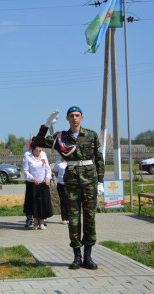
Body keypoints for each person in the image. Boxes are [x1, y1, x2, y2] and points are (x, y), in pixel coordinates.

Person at [34, 106, 104, 270]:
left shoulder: (92, 135)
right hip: (71, 180)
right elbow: (37, 143)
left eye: (77, 115)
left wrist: (100, 182)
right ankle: (77, 257)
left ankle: (88, 257)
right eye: (71, 115)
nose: (74, 118)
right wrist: (46, 125)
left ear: (82, 118)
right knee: (73, 219)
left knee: (89, 218)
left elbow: (99, 159)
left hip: (89, 180)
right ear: (67, 118)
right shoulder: (61, 137)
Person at [22, 139, 52, 230]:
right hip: (33, 184)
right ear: (33, 148)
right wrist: (32, 178)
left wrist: (47, 177)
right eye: (38, 149)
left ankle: (42, 222)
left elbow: (48, 168)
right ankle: (35, 222)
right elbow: (26, 171)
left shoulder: (43, 155)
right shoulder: (27, 156)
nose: (40, 150)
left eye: (41, 148)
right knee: (34, 204)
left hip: (43, 183)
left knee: (42, 203)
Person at [53, 158, 69, 225]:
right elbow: (56, 173)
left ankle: (71, 217)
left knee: (70, 201)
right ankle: (64, 218)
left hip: (70, 184)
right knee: (63, 201)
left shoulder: (71, 161)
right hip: (61, 184)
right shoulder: (58, 162)